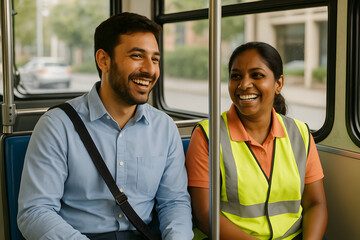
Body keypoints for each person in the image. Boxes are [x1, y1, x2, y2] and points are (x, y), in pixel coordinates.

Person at [17, 12, 193, 240]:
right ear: (104, 60)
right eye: (137, 56)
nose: (150, 69)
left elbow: (174, 203)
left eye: (155, 59)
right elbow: (35, 212)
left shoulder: (164, 128)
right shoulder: (57, 126)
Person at [186, 42, 328, 240]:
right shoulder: (207, 135)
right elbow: (204, 215)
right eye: (236, 76)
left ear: (278, 84)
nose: (244, 84)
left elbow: (316, 204)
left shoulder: (300, 133)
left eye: (257, 75)